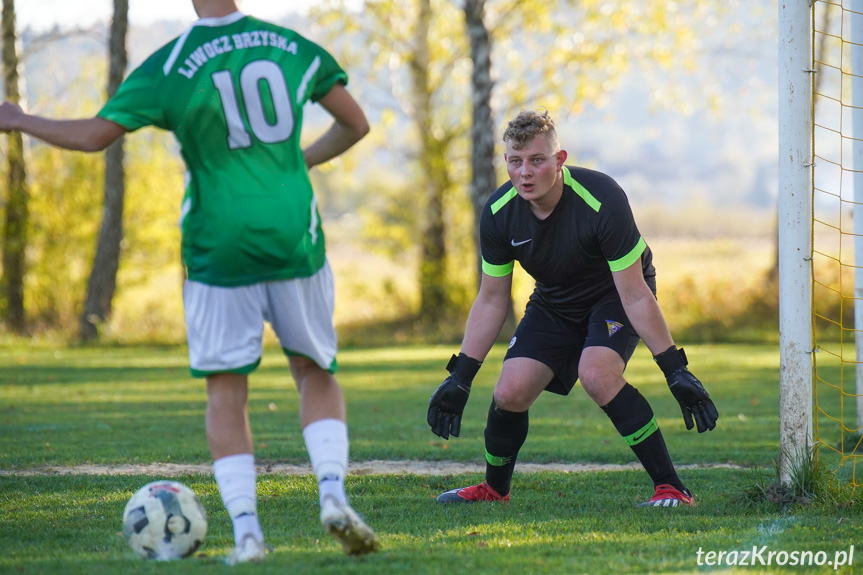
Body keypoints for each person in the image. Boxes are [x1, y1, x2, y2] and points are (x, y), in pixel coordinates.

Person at [0, 0, 379, 563]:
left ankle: (249, 533)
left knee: (226, 389)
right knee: (314, 369)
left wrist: (17, 117)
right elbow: (356, 124)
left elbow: (91, 137)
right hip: (292, 234)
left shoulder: (172, 63)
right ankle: (332, 494)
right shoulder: (292, 47)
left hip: (216, 244)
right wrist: (297, 162)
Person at [427, 109, 718, 508]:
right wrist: (461, 376)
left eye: (536, 160)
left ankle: (671, 488)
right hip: (554, 301)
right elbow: (491, 298)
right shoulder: (498, 214)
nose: (524, 172)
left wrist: (675, 369)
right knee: (509, 391)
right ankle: (495, 490)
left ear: (559, 160)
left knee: (597, 374)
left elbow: (634, 294)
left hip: (613, 295)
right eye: (515, 161)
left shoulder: (603, 198)